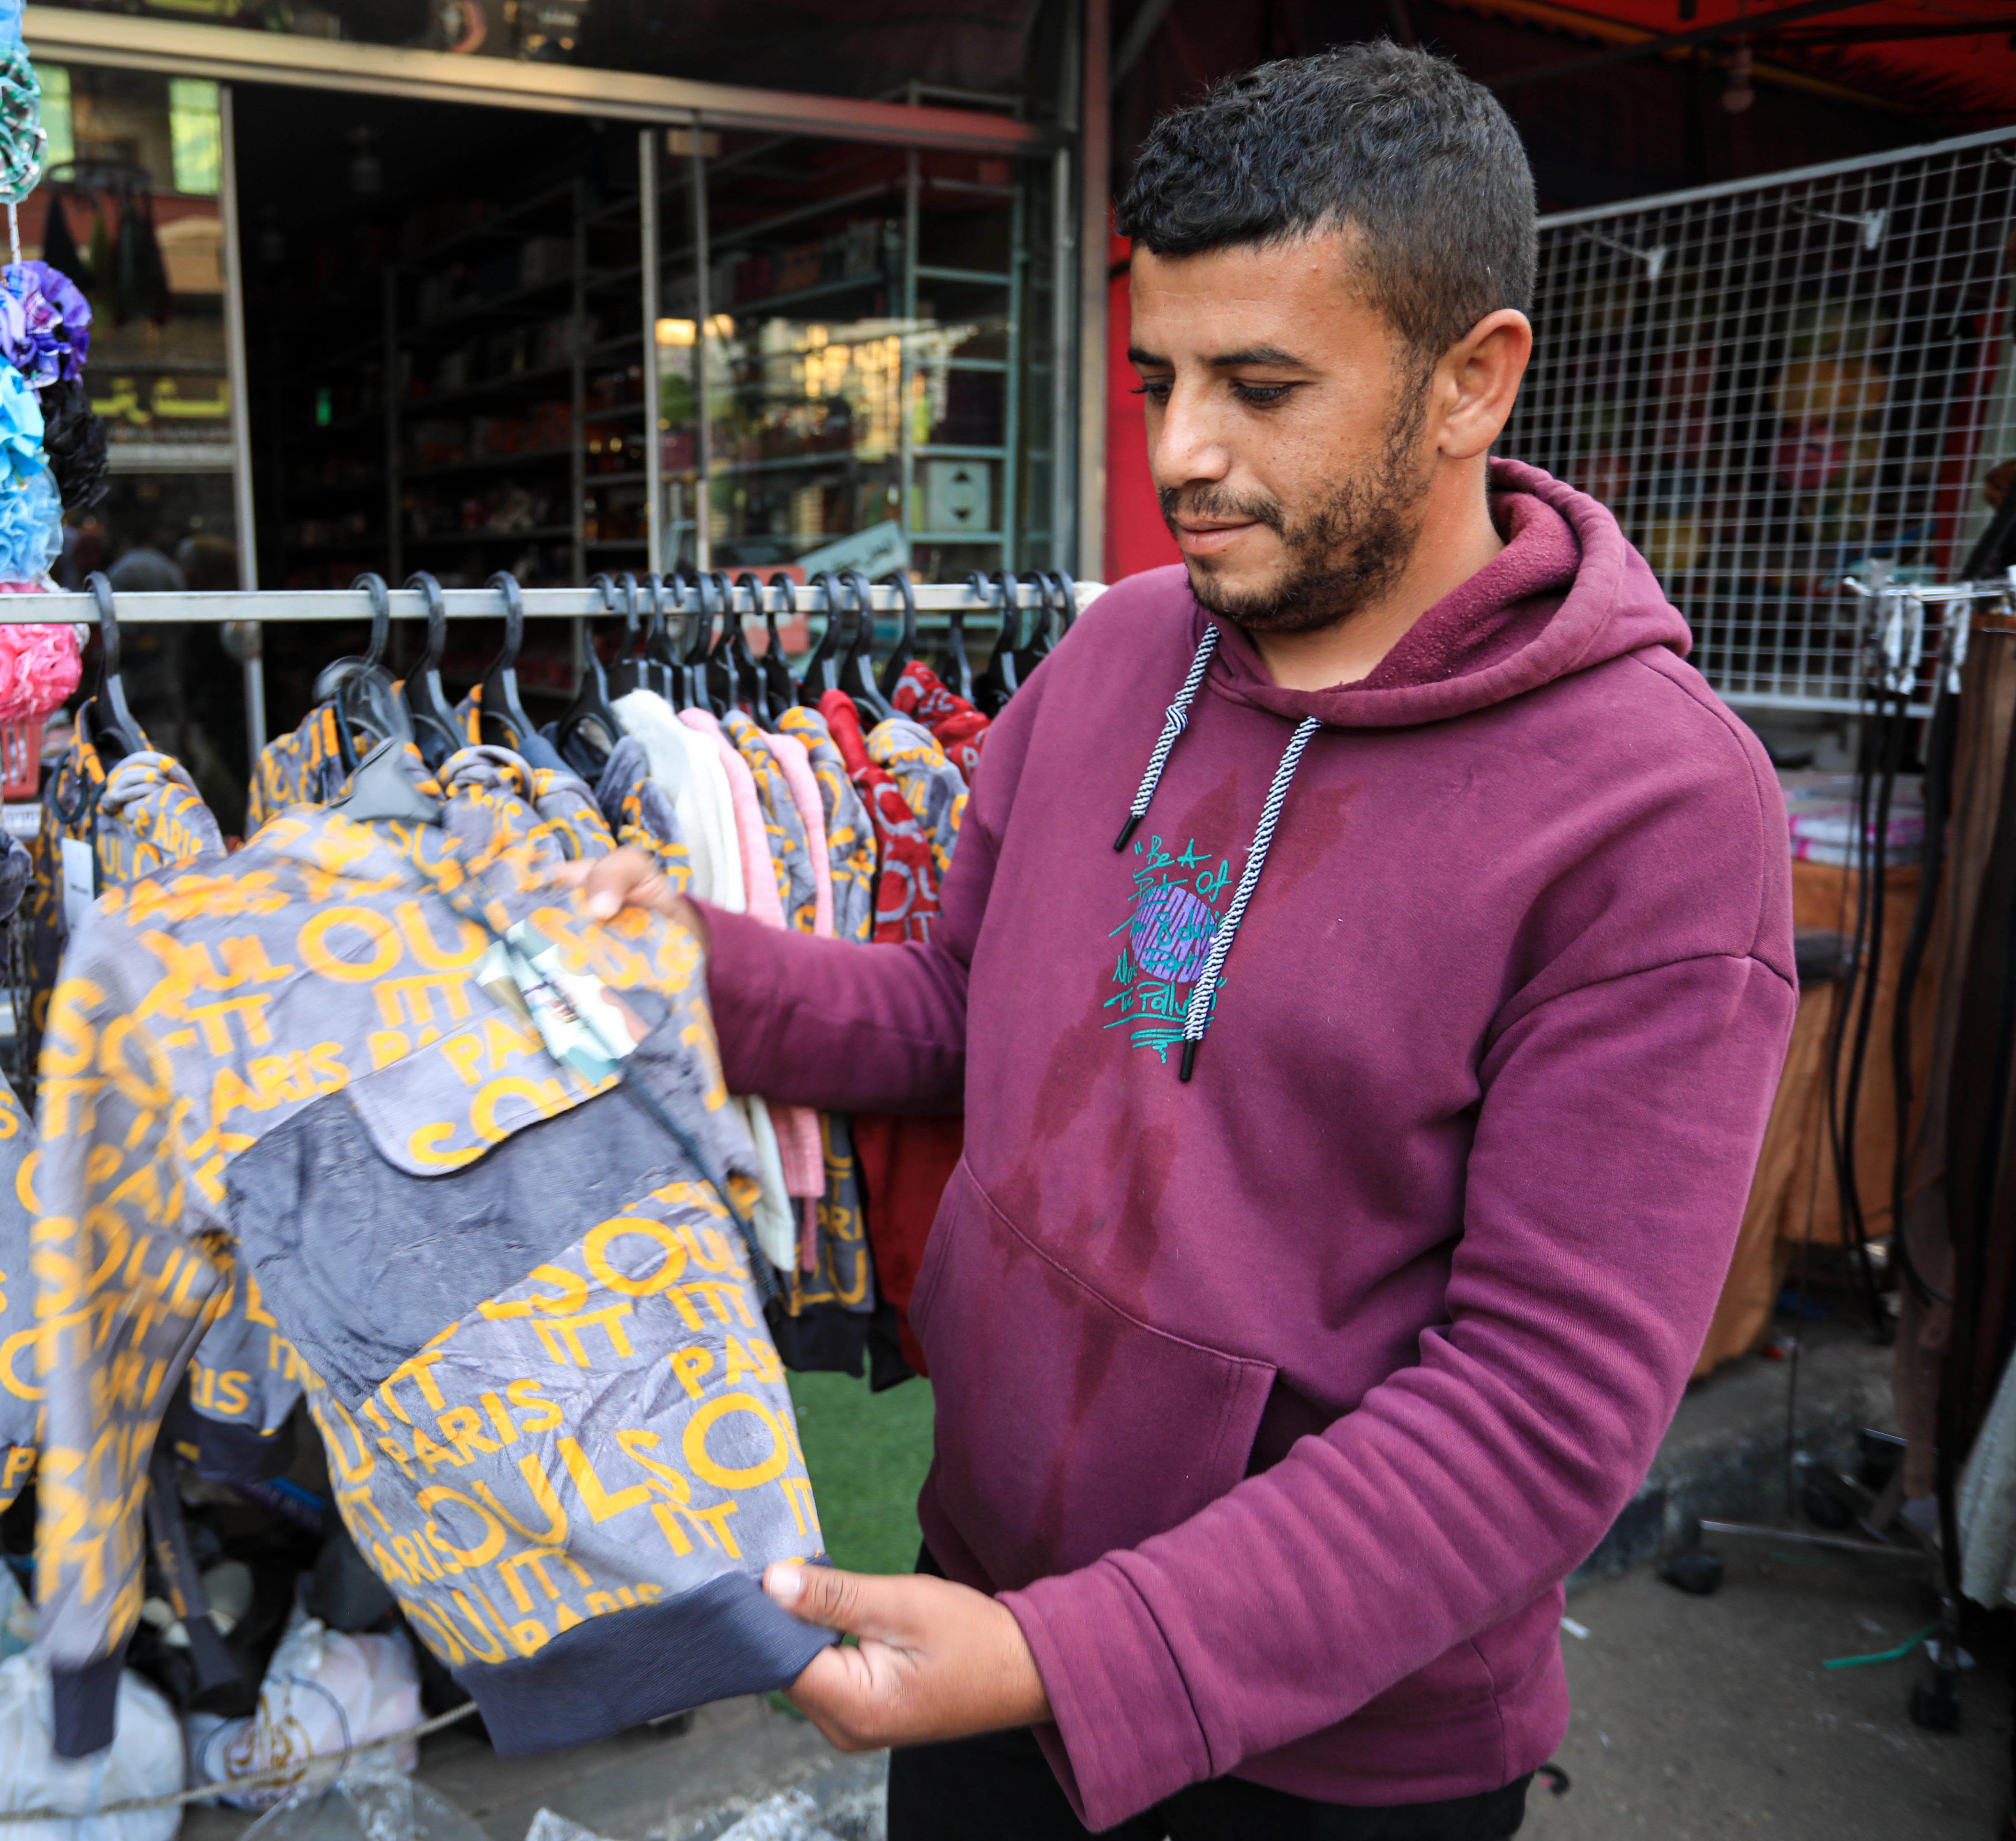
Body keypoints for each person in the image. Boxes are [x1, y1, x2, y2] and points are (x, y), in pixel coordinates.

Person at [567, 43, 1794, 1841]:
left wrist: (1077, 1656)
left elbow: (1539, 1415)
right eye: (1160, 379)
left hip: (1333, 1758)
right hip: (979, 1609)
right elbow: (957, 1008)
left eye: (1262, 386)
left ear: (1472, 379)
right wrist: (684, 962)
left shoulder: (1657, 813)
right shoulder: (1121, 650)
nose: (1181, 455)